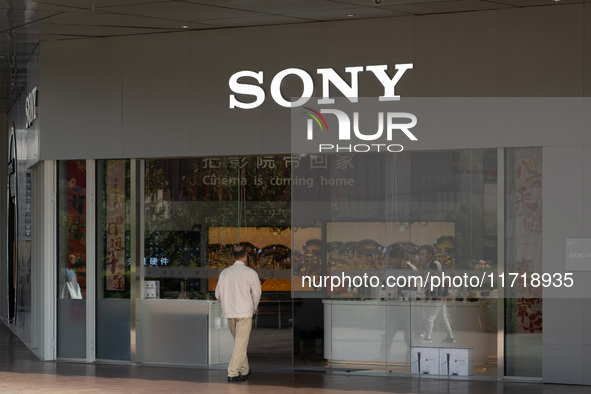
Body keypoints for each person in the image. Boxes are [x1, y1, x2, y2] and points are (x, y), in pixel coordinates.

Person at [215, 245, 262, 382]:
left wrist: (226, 303)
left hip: (229, 312)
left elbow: (218, 294)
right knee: (240, 344)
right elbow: (257, 293)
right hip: (244, 312)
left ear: (232, 257)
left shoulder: (225, 273)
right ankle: (232, 373)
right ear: (246, 257)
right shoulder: (250, 273)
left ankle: (244, 369)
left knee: (239, 343)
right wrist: (254, 307)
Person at [418, 245, 455, 344]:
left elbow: (438, 281)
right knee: (443, 317)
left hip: (438, 295)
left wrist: (432, 295)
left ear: (430, 254)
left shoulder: (435, 265)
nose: (421, 256)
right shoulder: (430, 265)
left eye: (423, 254)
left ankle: (428, 338)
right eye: (420, 254)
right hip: (440, 294)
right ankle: (450, 337)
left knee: (430, 316)